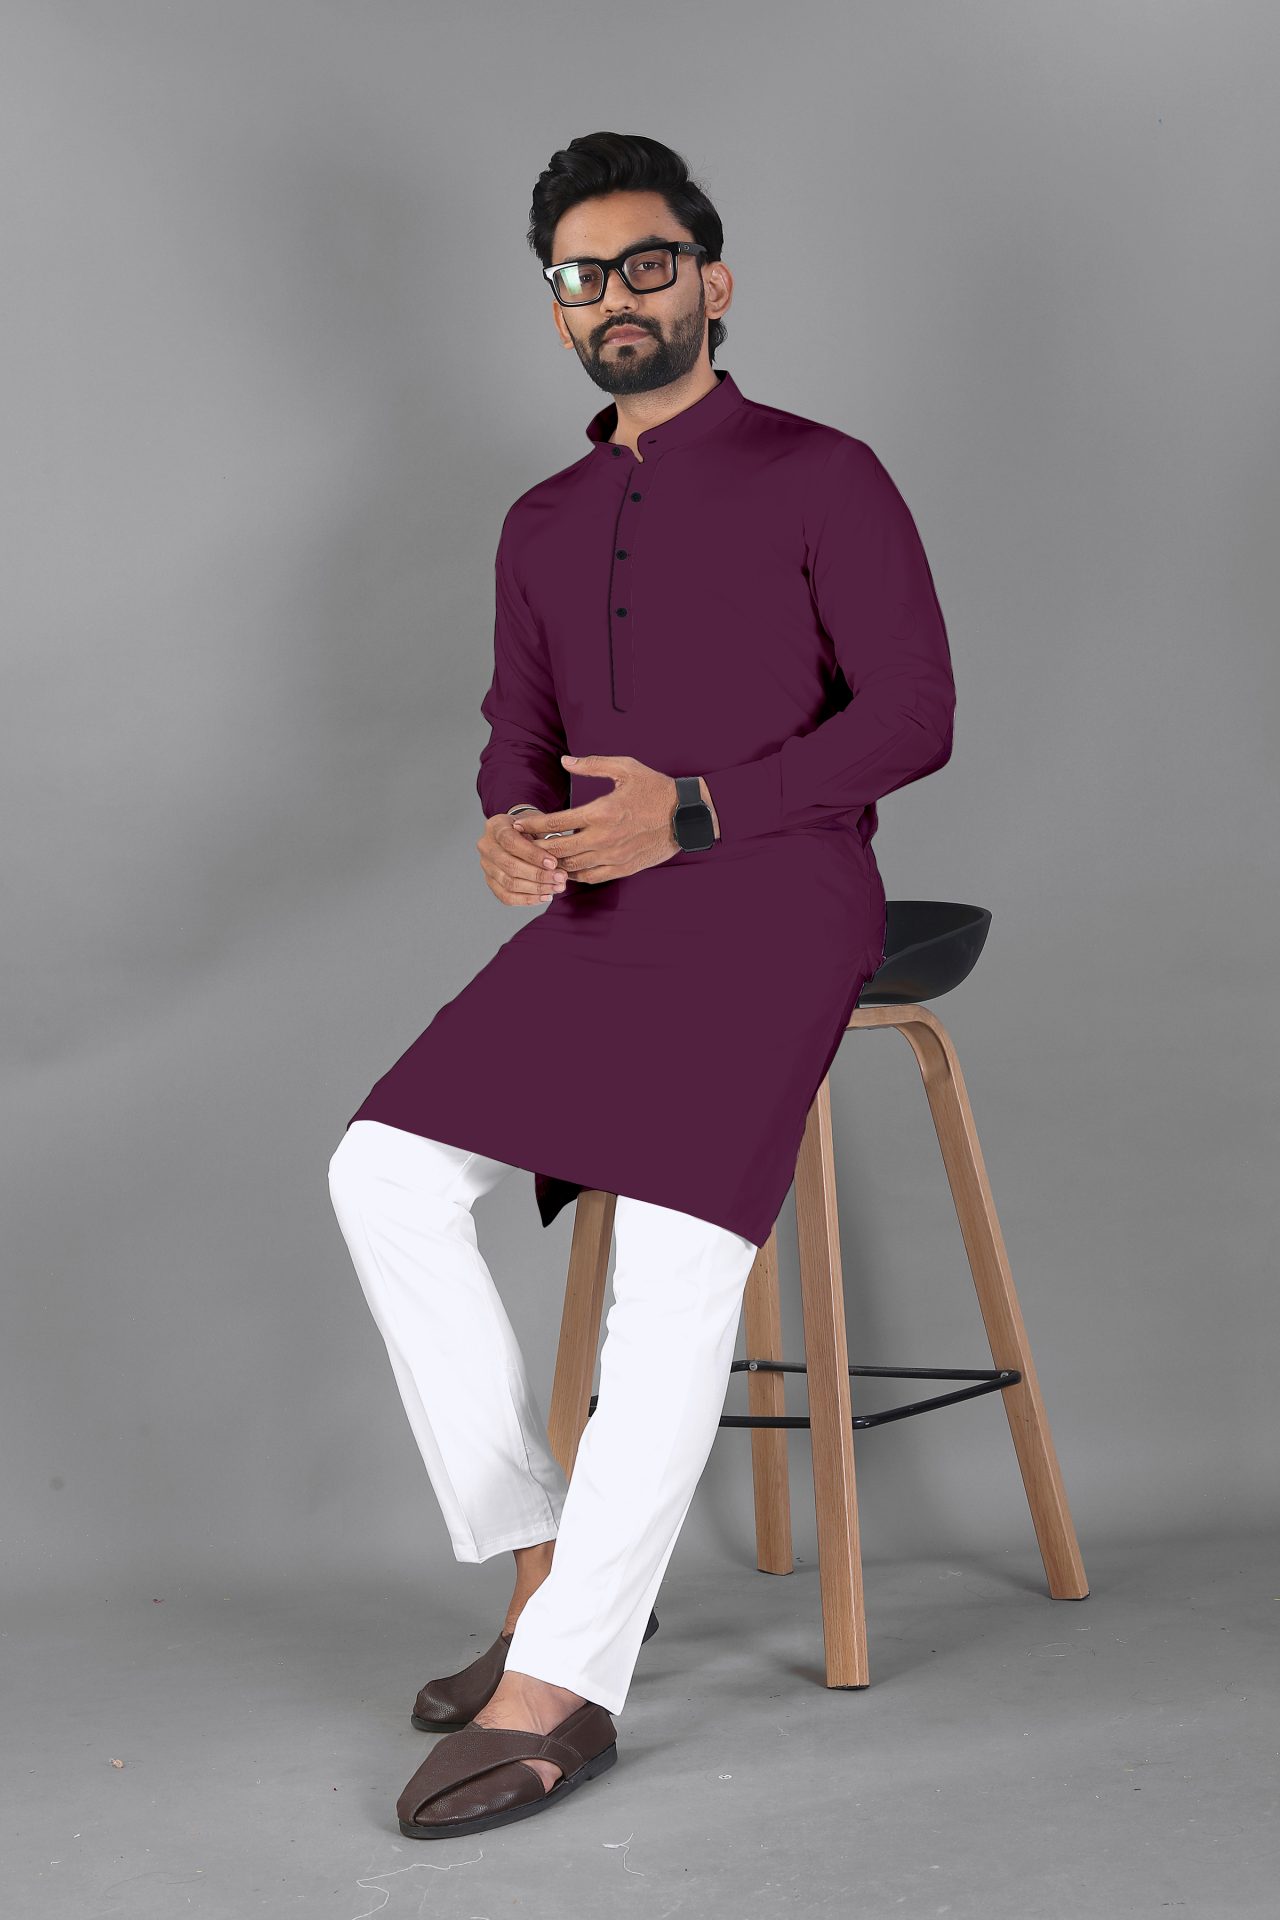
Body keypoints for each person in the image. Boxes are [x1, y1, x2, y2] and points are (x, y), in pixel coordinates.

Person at [327, 129, 956, 1840]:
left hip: (784, 901)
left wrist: (697, 811)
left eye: (648, 263)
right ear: (557, 310)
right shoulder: (540, 522)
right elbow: (515, 730)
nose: (616, 295)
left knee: (673, 1266)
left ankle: (567, 1684)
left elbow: (914, 715)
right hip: (604, 915)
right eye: (582, 276)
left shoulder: (826, 474)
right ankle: (548, 1556)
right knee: (382, 1174)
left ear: (713, 281)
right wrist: (506, 829)